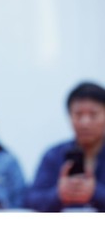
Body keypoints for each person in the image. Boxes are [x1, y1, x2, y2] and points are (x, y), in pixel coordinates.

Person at [24, 81, 105, 212]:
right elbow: (30, 200)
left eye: (93, 114)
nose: (85, 122)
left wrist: (95, 192)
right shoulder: (53, 155)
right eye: (78, 114)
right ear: (69, 116)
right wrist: (59, 194)